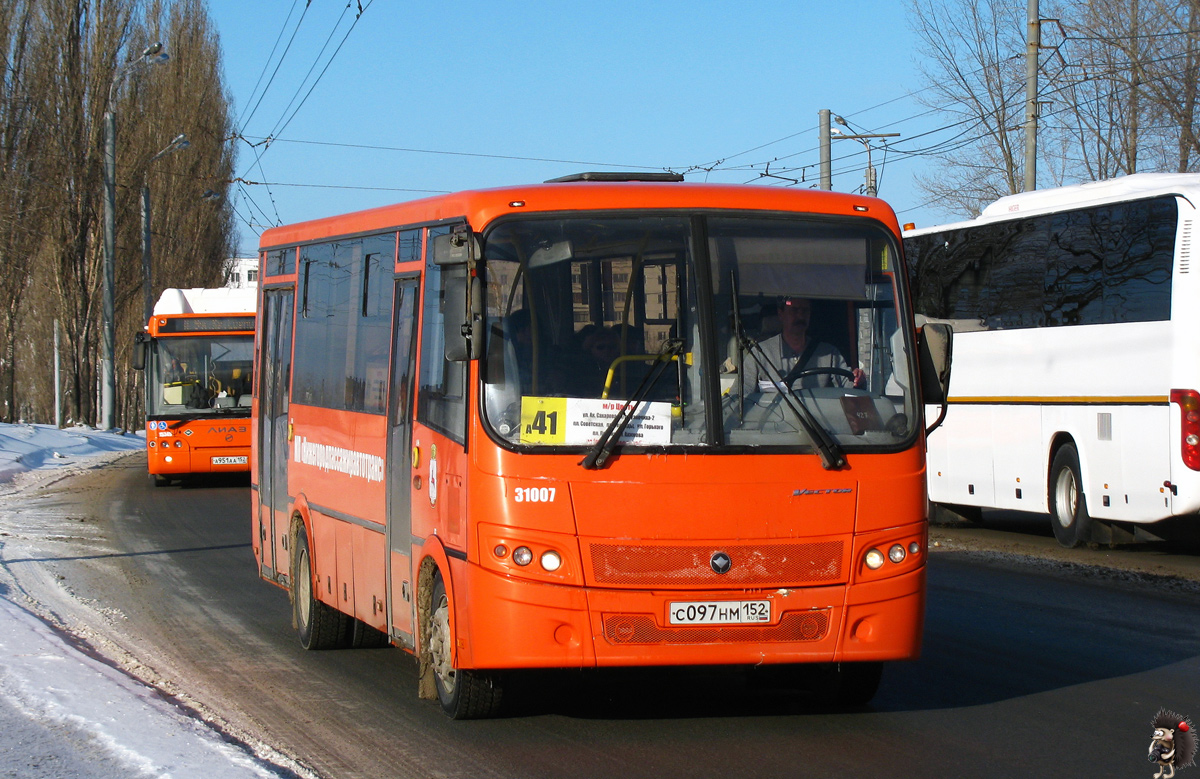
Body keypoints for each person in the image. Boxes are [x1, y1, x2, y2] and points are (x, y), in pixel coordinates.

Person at [739, 296, 864, 391]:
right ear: (781, 314)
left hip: (817, 423)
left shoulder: (830, 354)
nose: (800, 316)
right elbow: (739, 397)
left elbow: (850, 391)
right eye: (794, 310)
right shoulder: (760, 354)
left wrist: (859, 381)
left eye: (805, 311)